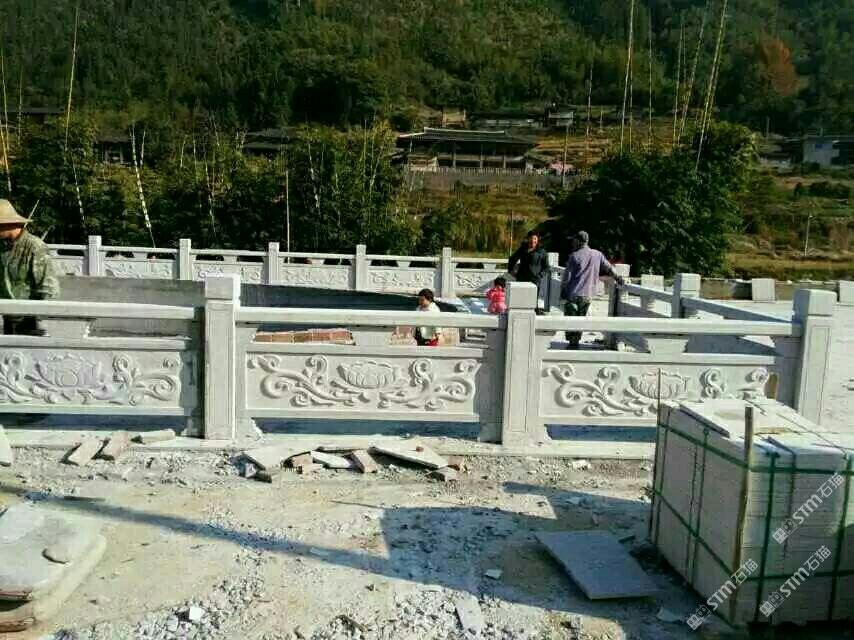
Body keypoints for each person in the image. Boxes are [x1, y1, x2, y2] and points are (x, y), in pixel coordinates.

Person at [0, 199, 60, 335]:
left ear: (9, 224)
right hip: (9, 316)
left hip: (31, 320)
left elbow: (48, 288)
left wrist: (41, 321)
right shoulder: (3, 247)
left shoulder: (34, 247)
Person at [561, 231, 624, 349]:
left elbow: (567, 277)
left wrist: (563, 291)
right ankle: (576, 341)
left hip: (573, 294)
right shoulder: (597, 254)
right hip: (588, 295)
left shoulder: (574, 256)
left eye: (574, 240)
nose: (573, 242)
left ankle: (573, 343)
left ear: (578, 241)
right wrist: (618, 278)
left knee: (571, 319)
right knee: (581, 319)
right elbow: (609, 268)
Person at [507, 230, 550, 314]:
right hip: (521, 278)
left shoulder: (541, 251)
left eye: (534, 239)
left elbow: (546, 267)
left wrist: (540, 276)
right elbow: (513, 258)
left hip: (535, 280)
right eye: (531, 238)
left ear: (537, 240)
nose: (532, 241)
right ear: (527, 239)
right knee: (521, 298)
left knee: (533, 299)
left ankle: (534, 313)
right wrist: (511, 270)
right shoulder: (523, 249)